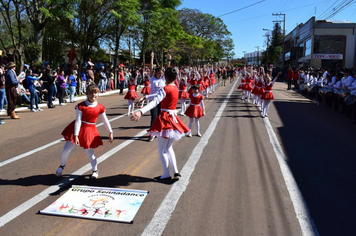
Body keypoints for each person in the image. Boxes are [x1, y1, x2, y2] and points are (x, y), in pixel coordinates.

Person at [131, 67, 190, 181]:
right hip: (173, 118)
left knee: (162, 149)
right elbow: (158, 95)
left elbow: (156, 101)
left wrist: (141, 111)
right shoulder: (176, 88)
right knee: (169, 147)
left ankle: (166, 174)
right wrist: (146, 97)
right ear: (176, 77)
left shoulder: (165, 88)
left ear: (165, 77)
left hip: (165, 119)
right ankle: (176, 172)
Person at [56, 84, 114, 179]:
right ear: (87, 94)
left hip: (89, 129)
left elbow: (105, 120)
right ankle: (62, 166)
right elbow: (78, 120)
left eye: (95, 93)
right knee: (66, 149)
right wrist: (76, 135)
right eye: (91, 93)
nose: (93, 95)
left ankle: (95, 170)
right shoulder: (81, 106)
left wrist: (110, 132)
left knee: (89, 152)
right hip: (77, 128)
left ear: (98, 94)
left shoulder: (100, 107)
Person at [146, 51, 170, 142]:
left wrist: (168, 59)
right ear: (155, 73)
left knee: (161, 117)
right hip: (154, 100)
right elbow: (151, 68)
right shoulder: (153, 78)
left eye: (161, 73)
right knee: (154, 116)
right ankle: (152, 133)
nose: (160, 75)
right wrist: (152, 57)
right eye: (159, 73)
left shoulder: (163, 79)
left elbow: (167, 69)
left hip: (162, 100)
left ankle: (159, 131)